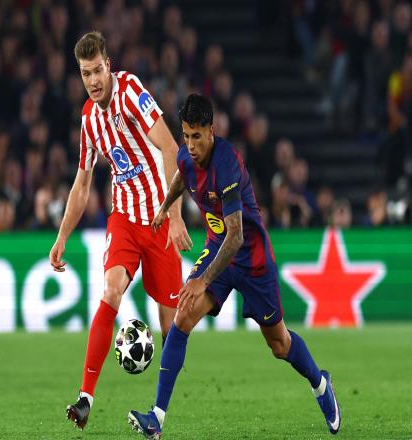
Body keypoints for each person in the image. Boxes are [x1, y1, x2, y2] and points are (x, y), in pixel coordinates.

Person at [128, 94, 341, 438]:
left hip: (251, 259)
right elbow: (181, 175)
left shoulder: (226, 163)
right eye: (186, 136)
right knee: (183, 315)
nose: (191, 145)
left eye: (197, 136)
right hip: (218, 249)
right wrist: (166, 207)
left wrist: (202, 281)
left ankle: (320, 384)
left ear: (211, 131)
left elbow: (237, 235)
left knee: (279, 344)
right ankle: (156, 418)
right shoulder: (186, 156)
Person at [49, 31, 192, 430]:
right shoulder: (88, 119)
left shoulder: (131, 92)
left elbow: (170, 147)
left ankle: (157, 415)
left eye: (97, 71)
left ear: (108, 65)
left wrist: (175, 215)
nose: (93, 81)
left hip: (160, 219)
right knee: (111, 290)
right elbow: (82, 184)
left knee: (173, 328)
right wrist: (61, 236)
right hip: (125, 219)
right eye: (85, 74)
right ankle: (85, 398)